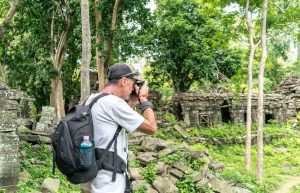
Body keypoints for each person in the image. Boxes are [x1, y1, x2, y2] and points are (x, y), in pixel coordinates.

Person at [82, 63, 157, 193]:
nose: (133, 88)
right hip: (108, 182)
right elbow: (151, 127)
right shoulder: (114, 103)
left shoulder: (93, 99)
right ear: (124, 81)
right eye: (133, 84)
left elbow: (116, 126)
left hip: (92, 174)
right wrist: (144, 99)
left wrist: (132, 103)